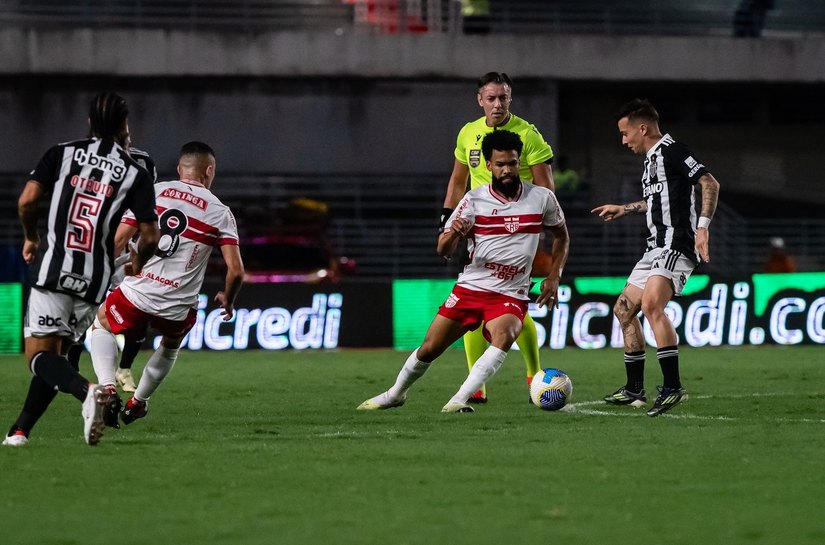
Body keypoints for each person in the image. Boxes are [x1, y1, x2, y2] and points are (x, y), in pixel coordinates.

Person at [359, 130, 568, 413]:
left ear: (520, 163)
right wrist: (452, 236)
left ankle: (459, 399)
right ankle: (395, 394)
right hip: (471, 287)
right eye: (501, 164)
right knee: (430, 348)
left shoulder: (541, 198)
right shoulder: (474, 200)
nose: (507, 170)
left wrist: (554, 276)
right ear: (488, 166)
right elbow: (442, 251)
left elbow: (562, 236)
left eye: (513, 163)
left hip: (511, 292)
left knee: (504, 335)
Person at [3, 92, 159, 447]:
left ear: (90, 124)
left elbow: (27, 200)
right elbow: (150, 234)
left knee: (38, 355)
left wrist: (31, 237)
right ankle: (19, 431)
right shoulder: (137, 171)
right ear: (124, 126)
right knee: (57, 355)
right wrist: (138, 263)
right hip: (95, 279)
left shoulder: (61, 153)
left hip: (56, 269)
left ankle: (89, 391)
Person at [89, 141, 244, 426]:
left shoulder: (154, 192)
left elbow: (119, 241)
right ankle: (139, 402)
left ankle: (108, 387)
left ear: (179, 168)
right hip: (178, 305)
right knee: (171, 344)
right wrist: (228, 298)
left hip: (138, 293)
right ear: (209, 170)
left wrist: (97, 272)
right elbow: (236, 271)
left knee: (101, 324)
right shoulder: (220, 212)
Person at [591, 98, 720, 417]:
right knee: (623, 310)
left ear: (643, 128)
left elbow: (709, 183)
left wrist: (702, 227)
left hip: (677, 244)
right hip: (655, 247)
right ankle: (635, 390)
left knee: (651, 305)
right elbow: (658, 201)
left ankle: (673, 387)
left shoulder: (673, 150)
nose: (624, 140)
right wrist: (626, 208)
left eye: (625, 133)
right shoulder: (650, 160)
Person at [440, 71, 556, 404]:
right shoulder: (468, 133)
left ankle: (534, 373)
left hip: (515, 230)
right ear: (480, 100)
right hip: (477, 230)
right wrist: (446, 223)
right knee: (476, 305)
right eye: (490, 98)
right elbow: (456, 181)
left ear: (510, 99)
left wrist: (541, 230)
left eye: (503, 98)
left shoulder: (527, 134)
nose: (497, 104)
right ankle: (478, 383)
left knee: (512, 304)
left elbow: (546, 187)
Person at [65, 145, 159, 393]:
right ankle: (71, 364)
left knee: (137, 312)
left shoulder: (142, 159)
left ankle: (124, 368)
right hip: (98, 246)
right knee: (86, 308)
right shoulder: (94, 159)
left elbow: (150, 198)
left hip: (126, 250)